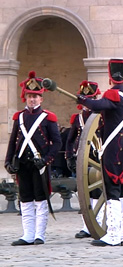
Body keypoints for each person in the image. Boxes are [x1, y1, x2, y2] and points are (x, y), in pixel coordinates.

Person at [77, 59, 123, 246]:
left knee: (112, 190)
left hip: (114, 149)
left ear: (110, 77)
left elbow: (97, 105)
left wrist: (83, 100)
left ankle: (113, 235)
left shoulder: (113, 94)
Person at [5, 71, 62, 246]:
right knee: (25, 199)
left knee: (40, 199)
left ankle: (39, 235)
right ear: (25, 97)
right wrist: (8, 161)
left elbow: (57, 143)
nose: (32, 100)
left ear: (41, 99)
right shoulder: (19, 117)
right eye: (30, 96)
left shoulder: (48, 117)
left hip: (40, 164)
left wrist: (46, 160)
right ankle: (27, 234)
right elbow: (13, 141)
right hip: (23, 163)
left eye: (36, 96)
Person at [66, 80, 102, 239]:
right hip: (83, 158)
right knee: (84, 193)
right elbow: (70, 139)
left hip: (98, 157)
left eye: (91, 98)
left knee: (98, 193)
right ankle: (86, 225)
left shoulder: (101, 117)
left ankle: (99, 222)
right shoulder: (78, 119)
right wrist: (69, 156)